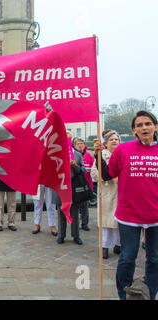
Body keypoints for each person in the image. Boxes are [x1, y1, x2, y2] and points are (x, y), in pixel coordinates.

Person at [94, 110, 158, 300]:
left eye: (148, 124)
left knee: (154, 259)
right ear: (134, 130)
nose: (144, 127)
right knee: (127, 258)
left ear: (155, 127)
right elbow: (107, 175)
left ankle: (150, 293)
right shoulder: (123, 150)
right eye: (139, 125)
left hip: (155, 217)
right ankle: (124, 295)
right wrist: (97, 154)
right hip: (128, 216)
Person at [91, 130, 121, 259]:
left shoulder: (123, 154)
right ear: (106, 143)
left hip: (120, 193)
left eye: (116, 139)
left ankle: (118, 244)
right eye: (111, 139)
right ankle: (104, 246)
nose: (114, 141)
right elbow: (93, 174)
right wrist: (106, 177)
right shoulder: (100, 155)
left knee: (119, 223)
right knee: (105, 223)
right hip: (106, 193)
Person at [56, 139, 85, 245]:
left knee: (75, 213)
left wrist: (74, 165)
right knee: (61, 212)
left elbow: (83, 171)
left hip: (74, 188)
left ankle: (76, 235)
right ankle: (61, 235)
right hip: (61, 187)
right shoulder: (57, 153)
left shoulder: (77, 155)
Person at [73, 137, 94, 231]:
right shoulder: (73, 156)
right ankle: (75, 224)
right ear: (74, 145)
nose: (80, 145)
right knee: (75, 207)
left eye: (82, 143)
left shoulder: (89, 156)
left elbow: (93, 169)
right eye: (78, 143)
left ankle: (85, 224)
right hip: (75, 186)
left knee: (85, 206)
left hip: (86, 185)